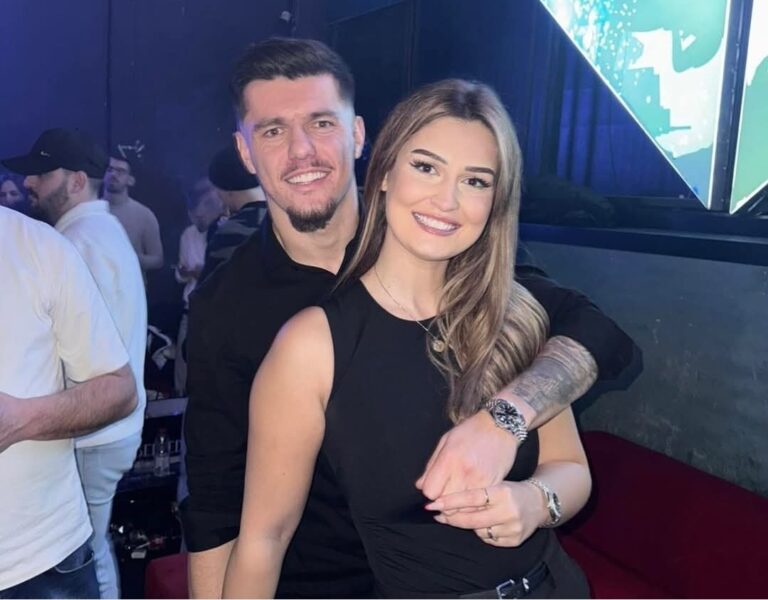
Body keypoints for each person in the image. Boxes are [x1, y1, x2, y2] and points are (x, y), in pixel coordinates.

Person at [183, 37, 636, 599]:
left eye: (321, 123)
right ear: (246, 152)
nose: (302, 150)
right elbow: (219, 501)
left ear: (359, 138)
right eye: (274, 130)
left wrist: (508, 430)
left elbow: (593, 333)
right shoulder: (242, 313)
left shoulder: (496, 295)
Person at [5, 127, 148, 599]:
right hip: (107, 430)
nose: (29, 183)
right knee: (94, 545)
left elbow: (89, 363)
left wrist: (21, 415)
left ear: (77, 180)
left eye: (41, 174)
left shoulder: (76, 241)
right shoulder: (102, 232)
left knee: (89, 549)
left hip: (93, 433)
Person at [174, 179, 223, 395]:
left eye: (201, 216)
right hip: (190, 308)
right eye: (193, 216)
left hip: (216, 311)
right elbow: (180, 273)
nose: (197, 220)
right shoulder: (188, 234)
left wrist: (203, 271)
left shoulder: (224, 231)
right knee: (182, 368)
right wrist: (184, 272)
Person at [200, 142, 268, 282]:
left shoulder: (229, 233)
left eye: (217, 190)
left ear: (227, 190)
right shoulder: (292, 218)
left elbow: (210, 290)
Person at [103, 155, 164, 275]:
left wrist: (129, 257)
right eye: (110, 169)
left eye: (120, 171)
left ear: (131, 180)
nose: (113, 174)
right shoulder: (90, 210)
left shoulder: (144, 215)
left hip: (130, 283)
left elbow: (158, 260)